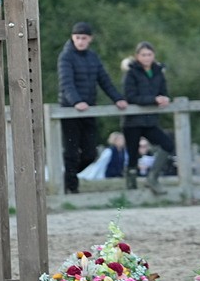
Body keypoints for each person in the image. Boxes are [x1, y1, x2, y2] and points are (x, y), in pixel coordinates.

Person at [57, 22, 127, 194]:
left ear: (90, 39)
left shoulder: (93, 57)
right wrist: (76, 102)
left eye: (84, 38)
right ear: (73, 38)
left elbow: (104, 80)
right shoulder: (65, 57)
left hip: (89, 110)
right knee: (71, 152)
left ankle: (68, 177)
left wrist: (117, 98)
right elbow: (67, 84)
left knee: (90, 153)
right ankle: (71, 188)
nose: (80, 41)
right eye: (77, 38)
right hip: (70, 110)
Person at [121, 41, 175, 196]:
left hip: (150, 120)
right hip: (132, 121)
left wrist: (164, 98)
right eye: (143, 55)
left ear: (154, 56)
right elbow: (130, 96)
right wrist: (154, 99)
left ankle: (152, 177)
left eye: (149, 54)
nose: (146, 57)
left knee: (167, 145)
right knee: (132, 155)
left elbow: (163, 91)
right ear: (137, 56)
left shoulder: (158, 71)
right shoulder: (131, 73)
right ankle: (131, 190)